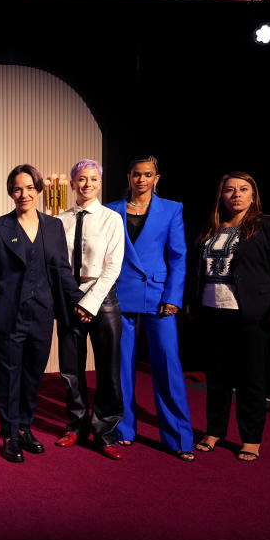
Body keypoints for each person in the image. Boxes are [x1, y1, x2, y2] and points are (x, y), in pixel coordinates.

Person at [191, 172, 270, 461]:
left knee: (250, 380)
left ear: (253, 196)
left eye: (243, 189)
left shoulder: (267, 225)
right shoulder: (211, 227)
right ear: (222, 196)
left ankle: (251, 439)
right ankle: (215, 430)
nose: (236, 195)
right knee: (216, 377)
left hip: (250, 316)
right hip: (212, 312)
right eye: (229, 190)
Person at [0, 165, 84, 463]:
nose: (23, 194)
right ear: (10, 193)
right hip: (7, 316)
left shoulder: (53, 227)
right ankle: (9, 435)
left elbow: (62, 270)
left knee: (32, 376)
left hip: (41, 315)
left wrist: (80, 302)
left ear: (39, 190)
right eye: (17, 188)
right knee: (8, 379)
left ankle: (25, 428)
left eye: (29, 188)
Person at [107, 156, 195, 461]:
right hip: (120, 294)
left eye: (148, 174)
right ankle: (123, 430)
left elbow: (178, 257)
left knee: (168, 367)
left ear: (157, 178)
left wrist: (174, 296)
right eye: (136, 174)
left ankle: (180, 440)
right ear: (128, 177)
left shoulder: (172, 209)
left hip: (159, 298)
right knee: (121, 368)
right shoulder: (111, 210)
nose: (141, 179)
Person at [55, 160, 126, 460]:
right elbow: (57, 264)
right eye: (81, 179)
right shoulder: (59, 220)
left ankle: (105, 431)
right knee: (71, 369)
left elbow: (113, 266)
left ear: (100, 183)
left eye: (93, 179)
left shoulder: (111, 219)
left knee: (109, 368)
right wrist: (73, 299)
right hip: (69, 296)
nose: (87, 184)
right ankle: (76, 425)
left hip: (103, 297)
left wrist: (90, 302)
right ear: (72, 183)